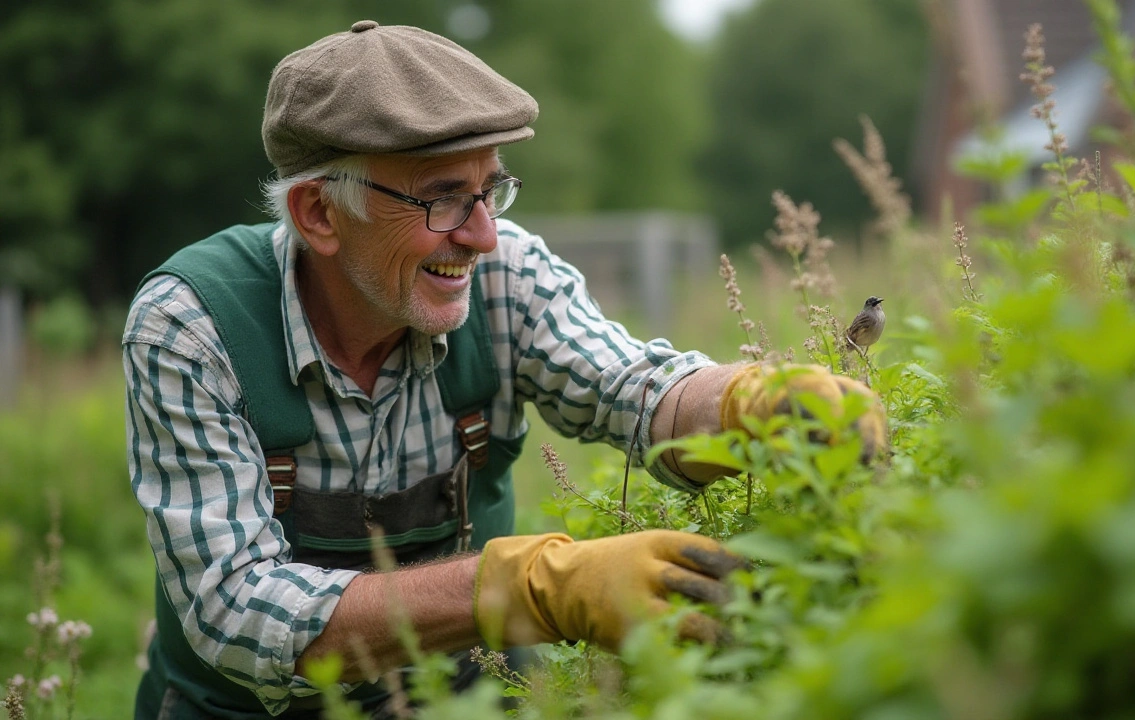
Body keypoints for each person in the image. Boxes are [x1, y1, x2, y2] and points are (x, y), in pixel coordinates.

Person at [123, 20, 883, 719]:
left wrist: (752, 403)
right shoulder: (192, 327)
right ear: (319, 213)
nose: (485, 236)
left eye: (492, 190)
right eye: (443, 200)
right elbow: (238, 608)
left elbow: (631, 387)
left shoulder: (507, 274)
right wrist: (528, 589)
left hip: (467, 700)